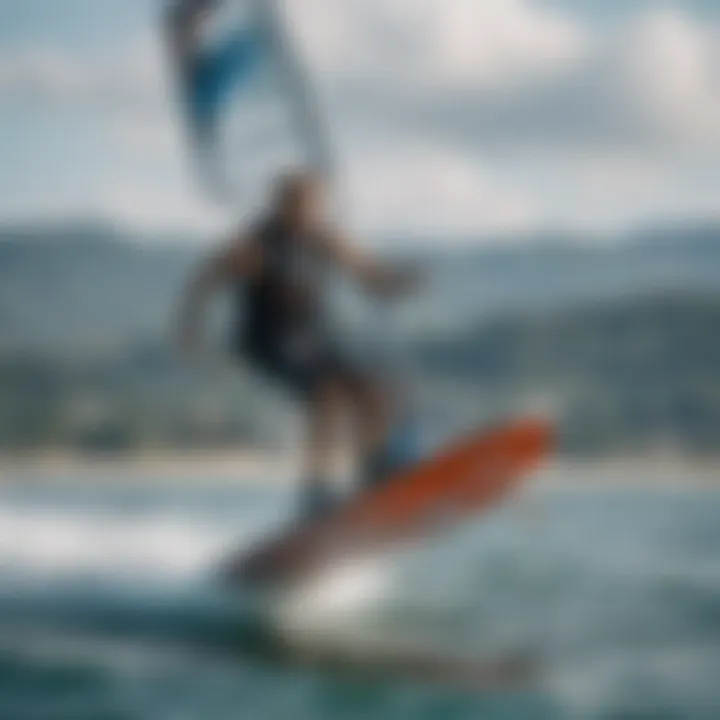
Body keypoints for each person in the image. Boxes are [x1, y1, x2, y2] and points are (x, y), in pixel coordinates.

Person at [177, 171, 421, 518]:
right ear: (281, 206)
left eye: (314, 206)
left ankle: (377, 470)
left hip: (313, 339)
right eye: (301, 206)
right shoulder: (255, 245)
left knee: (374, 390)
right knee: (328, 396)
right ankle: (315, 491)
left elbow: (371, 278)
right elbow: (203, 281)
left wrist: (400, 284)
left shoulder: (325, 239)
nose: (309, 213)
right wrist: (190, 329)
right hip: (267, 342)